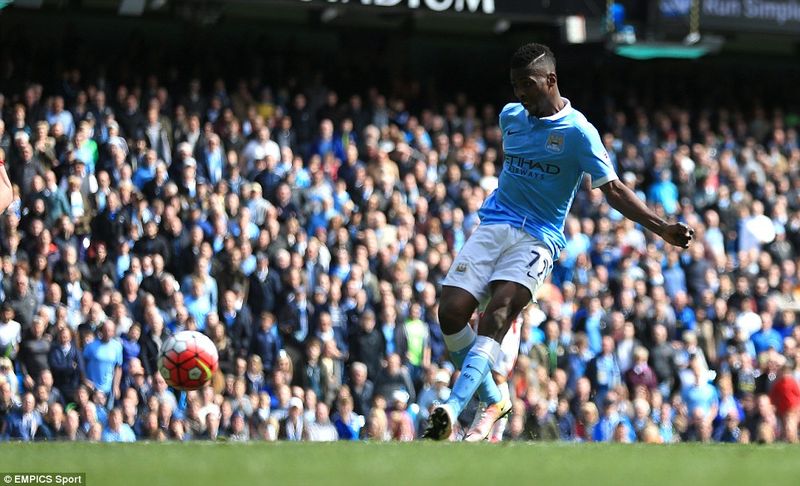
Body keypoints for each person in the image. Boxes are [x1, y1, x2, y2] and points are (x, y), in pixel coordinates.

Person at [423, 43, 694, 441]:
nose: (520, 94)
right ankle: (494, 399)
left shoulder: (579, 132)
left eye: (527, 85)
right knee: (450, 312)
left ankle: (452, 405)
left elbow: (614, 189)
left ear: (550, 80)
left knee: (497, 315)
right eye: (515, 86)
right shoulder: (510, 117)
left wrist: (662, 227)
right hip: (495, 225)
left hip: (538, 237)